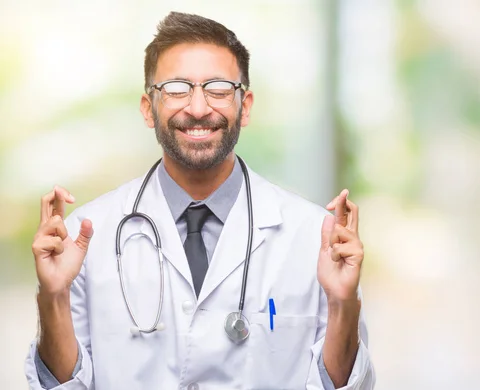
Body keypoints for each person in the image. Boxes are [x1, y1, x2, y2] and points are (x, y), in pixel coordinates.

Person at [24, 11, 375, 390]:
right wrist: (53, 296)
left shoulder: (311, 236)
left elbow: (345, 387)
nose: (197, 108)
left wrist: (343, 304)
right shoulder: (86, 236)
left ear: (246, 105)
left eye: (218, 88)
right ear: (148, 108)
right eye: (176, 88)